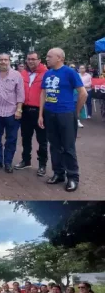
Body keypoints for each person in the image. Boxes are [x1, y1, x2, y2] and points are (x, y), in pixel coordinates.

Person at [39, 48, 87, 192]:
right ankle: (58, 173)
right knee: (54, 146)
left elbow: (83, 93)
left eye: (49, 56)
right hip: (50, 113)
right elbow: (43, 93)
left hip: (66, 114)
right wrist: (41, 114)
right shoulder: (48, 73)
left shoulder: (70, 72)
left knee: (68, 147)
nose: (46, 58)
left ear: (59, 58)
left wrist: (75, 112)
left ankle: (72, 177)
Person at [0, 53, 25, 173]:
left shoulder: (16, 75)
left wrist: (19, 109)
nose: (3, 62)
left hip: (12, 113)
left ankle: (8, 162)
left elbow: (20, 94)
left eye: (5, 59)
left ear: (9, 61)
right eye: (1, 60)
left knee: (11, 139)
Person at [16, 51, 49, 176]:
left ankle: (42, 164)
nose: (31, 61)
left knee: (42, 140)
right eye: (29, 59)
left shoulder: (46, 73)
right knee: (25, 138)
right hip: (25, 110)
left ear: (39, 60)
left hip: (40, 112)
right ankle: (26, 160)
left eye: (34, 59)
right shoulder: (22, 74)